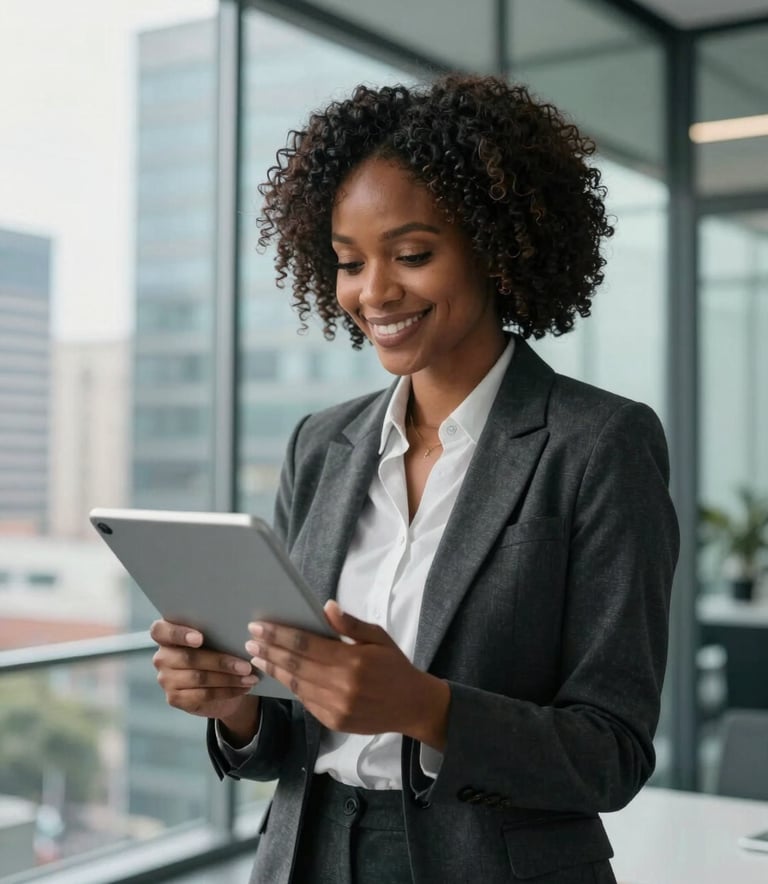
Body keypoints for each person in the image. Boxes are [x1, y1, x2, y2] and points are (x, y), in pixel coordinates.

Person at [150, 74, 679, 884]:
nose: (374, 292)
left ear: (496, 248)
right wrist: (237, 706)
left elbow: (612, 754)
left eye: (412, 255)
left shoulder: (599, 444)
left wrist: (424, 707)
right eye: (349, 262)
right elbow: (291, 742)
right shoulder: (321, 444)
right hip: (308, 856)